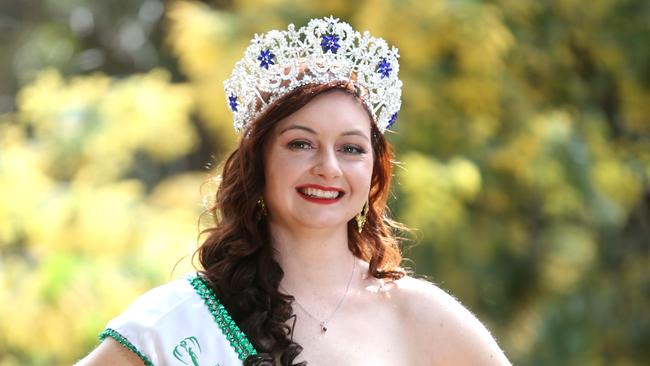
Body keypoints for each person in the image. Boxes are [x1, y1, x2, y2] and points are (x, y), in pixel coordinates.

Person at [78, 16, 511, 366]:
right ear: (258, 162)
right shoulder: (177, 323)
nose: (328, 167)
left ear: (375, 170)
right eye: (300, 143)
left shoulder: (420, 315)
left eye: (351, 148)